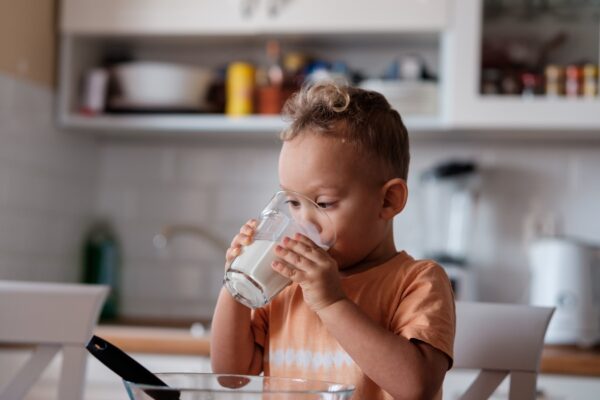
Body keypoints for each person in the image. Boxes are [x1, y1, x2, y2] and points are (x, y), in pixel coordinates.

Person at [211, 82, 455, 399]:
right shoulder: (282, 283)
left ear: (388, 201)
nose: (303, 222)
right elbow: (232, 376)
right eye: (294, 203)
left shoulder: (417, 282)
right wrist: (236, 286)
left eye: (323, 204)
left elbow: (416, 387)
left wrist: (331, 302)